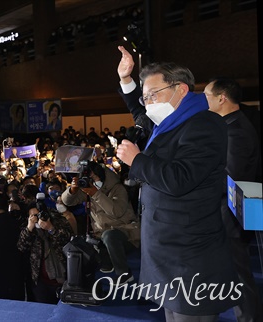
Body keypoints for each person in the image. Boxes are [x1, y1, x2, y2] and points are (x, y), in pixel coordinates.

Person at [115, 45, 239, 320]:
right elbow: (139, 110)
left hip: (189, 254)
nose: (148, 103)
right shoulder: (168, 123)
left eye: (153, 95)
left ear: (180, 89)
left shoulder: (204, 124)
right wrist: (126, 79)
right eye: (146, 97)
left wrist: (137, 161)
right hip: (166, 249)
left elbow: (181, 179)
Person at [204, 77, 263, 322]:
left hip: (232, 211)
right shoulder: (232, 124)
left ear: (222, 97)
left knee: (238, 273)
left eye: (207, 94)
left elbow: (231, 176)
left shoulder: (235, 130)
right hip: (235, 208)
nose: (203, 99)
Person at [61, 161, 139, 284]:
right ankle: (107, 260)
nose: (91, 179)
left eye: (93, 176)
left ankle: (124, 274)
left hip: (126, 234)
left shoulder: (118, 188)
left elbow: (116, 212)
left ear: (100, 175)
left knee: (109, 236)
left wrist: (95, 193)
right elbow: (68, 202)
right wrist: (72, 190)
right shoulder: (89, 189)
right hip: (101, 236)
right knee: (86, 243)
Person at [17, 200, 73, 304]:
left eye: (39, 215)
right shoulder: (29, 229)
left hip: (62, 277)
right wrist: (29, 227)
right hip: (39, 280)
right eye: (33, 216)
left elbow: (68, 238)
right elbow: (22, 247)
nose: (37, 218)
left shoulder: (57, 221)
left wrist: (51, 228)